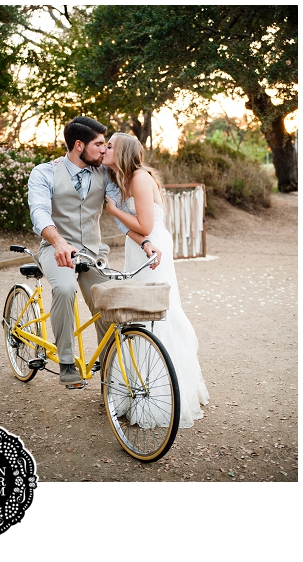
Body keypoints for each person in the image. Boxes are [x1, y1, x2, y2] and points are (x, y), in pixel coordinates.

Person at [28, 116, 161, 387]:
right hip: (56, 250)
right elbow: (39, 213)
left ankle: (111, 368)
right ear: (79, 145)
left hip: (93, 253)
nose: (104, 149)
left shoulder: (105, 175)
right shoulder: (44, 173)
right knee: (65, 290)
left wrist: (144, 242)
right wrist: (59, 242)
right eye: (100, 144)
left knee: (108, 301)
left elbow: (118, 216)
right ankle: (66, 360)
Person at [103, 132, 210, 427]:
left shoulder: (138, 177)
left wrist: (113, 210)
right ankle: (136, 386)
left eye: (109, 146)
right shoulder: (120, 178)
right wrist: (135, 236)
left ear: (122, 151)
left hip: (153, 248)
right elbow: (135, 231)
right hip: (141, 246)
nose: (104, 149)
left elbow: (146, 225)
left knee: (156, 313)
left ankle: (165, 392)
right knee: (137, 313)